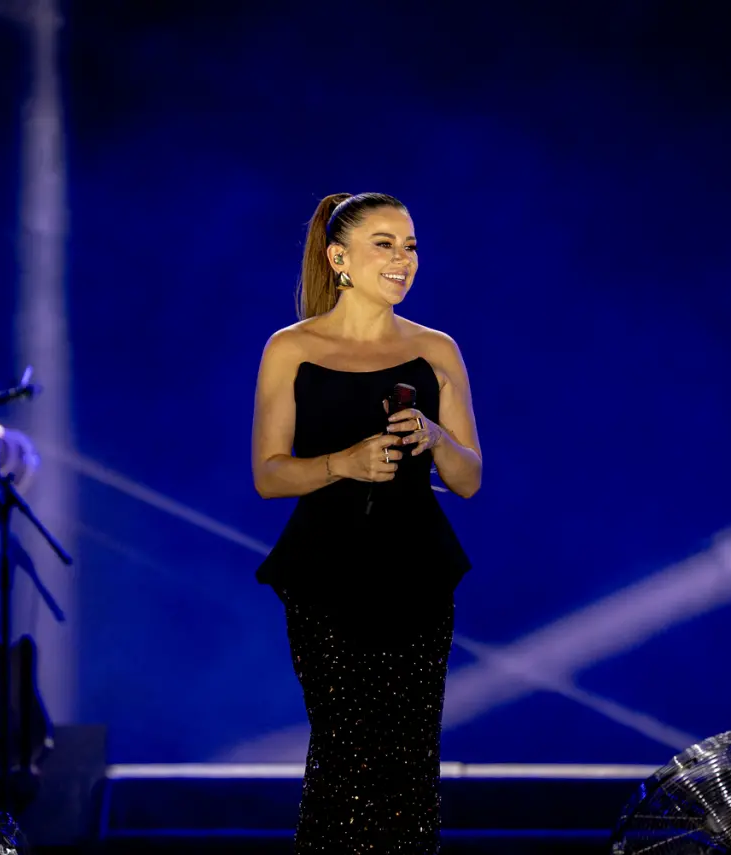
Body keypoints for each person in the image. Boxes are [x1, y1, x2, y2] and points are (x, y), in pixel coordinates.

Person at [251, 193, 483, 853]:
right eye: (385, 243)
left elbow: (469, 478)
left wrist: (436, 436)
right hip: (326, 576)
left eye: (410, 245)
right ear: (339, 258)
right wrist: (343, 463)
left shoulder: (436, 350)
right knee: (346, 754)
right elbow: (268, 473)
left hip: (417, 575)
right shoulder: (291, 348)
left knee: (409, 760)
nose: (403, 258)